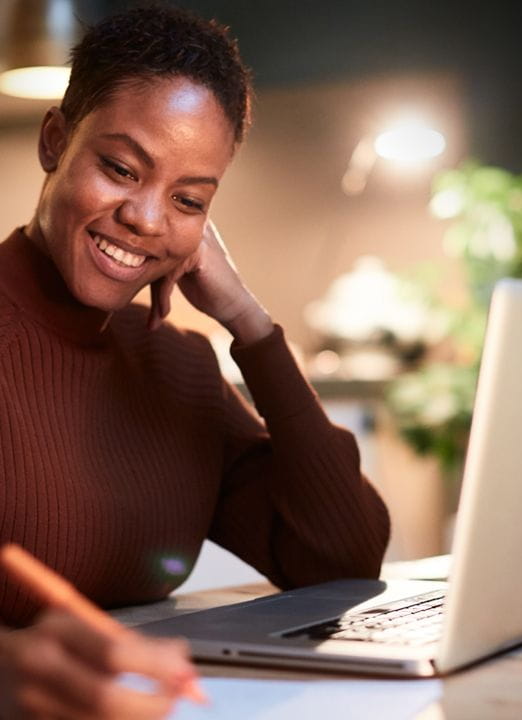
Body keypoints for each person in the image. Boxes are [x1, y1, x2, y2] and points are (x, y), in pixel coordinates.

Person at [0, 4, 390, 717]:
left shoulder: (179, 370)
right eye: (120, 168)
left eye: (188, 199)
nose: (147, 218)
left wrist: (249, 323)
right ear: (56, 141)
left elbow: (342, 558)